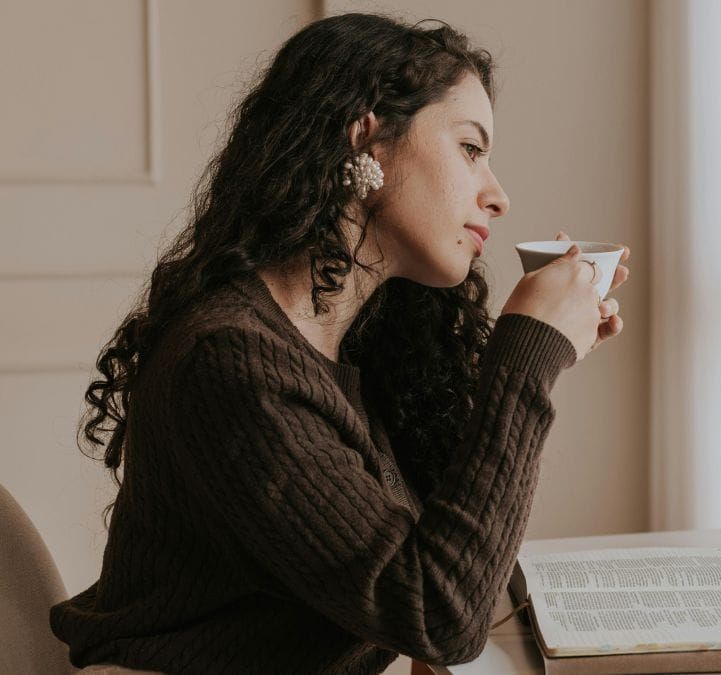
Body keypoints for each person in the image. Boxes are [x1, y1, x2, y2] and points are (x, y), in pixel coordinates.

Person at [49, 13, 628, 674]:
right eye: (471, 148)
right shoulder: (233, 363)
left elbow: (445, 573)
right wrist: (527, 353)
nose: (497, 195)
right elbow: (440, 614)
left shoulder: (351, 348)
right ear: (368, 140)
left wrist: (541, 354)